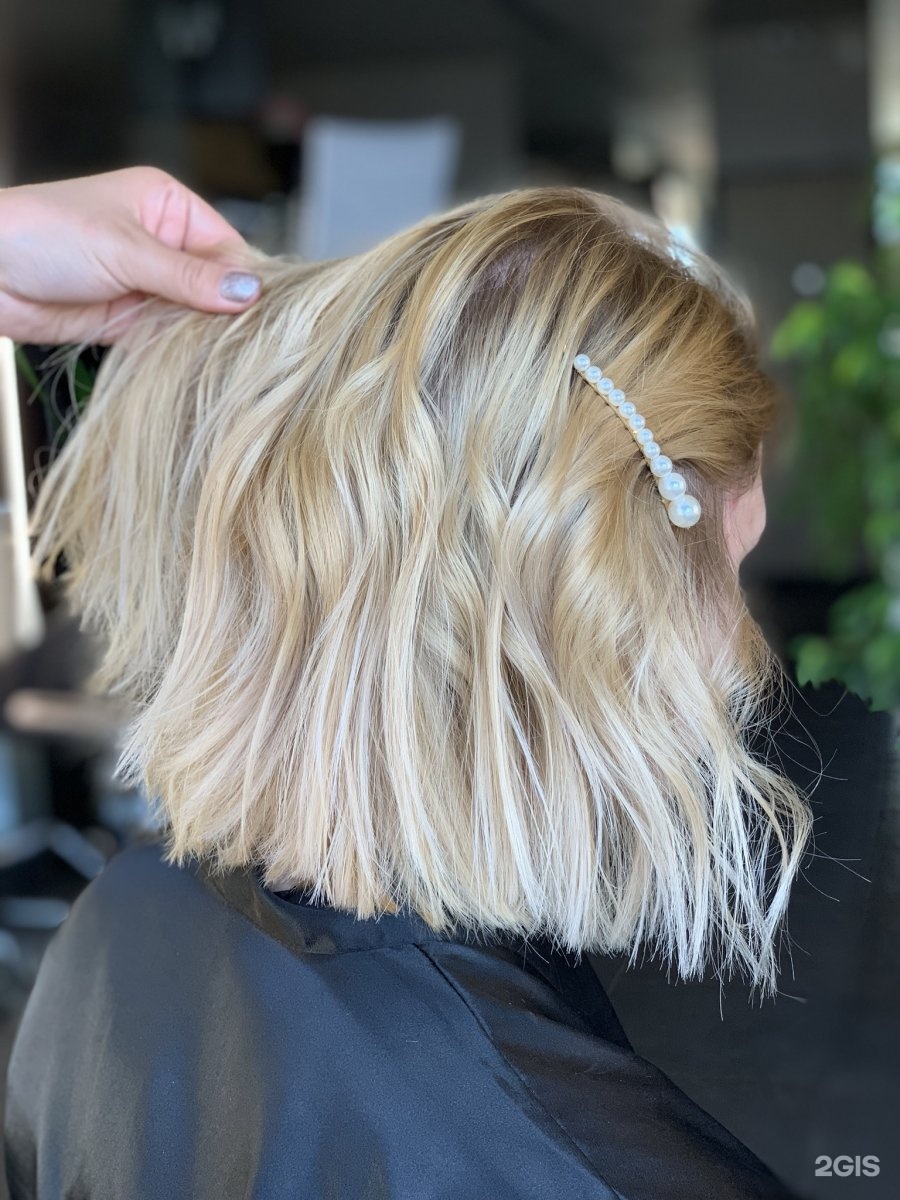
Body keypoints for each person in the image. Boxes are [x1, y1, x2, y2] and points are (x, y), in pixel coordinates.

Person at [2, 168, 808, 1198]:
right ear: (592, 609)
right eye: (730, 573)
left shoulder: (108, 936)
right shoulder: (595, 1170)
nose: (740, 652)